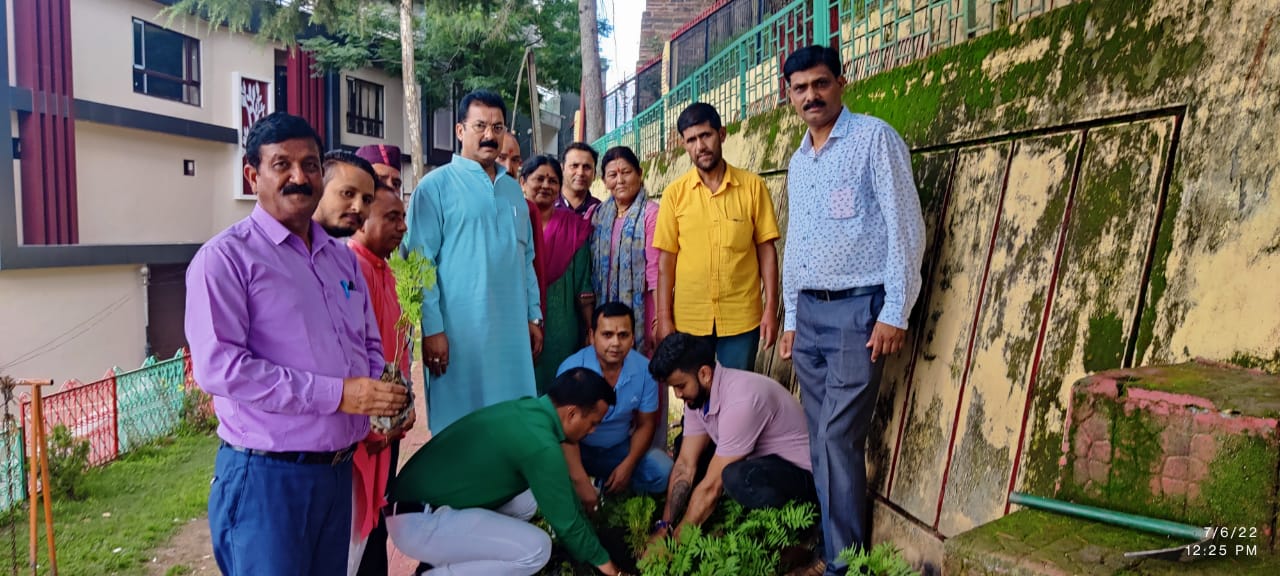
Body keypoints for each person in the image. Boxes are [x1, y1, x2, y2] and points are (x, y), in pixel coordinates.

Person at [185, 112, 409, 575]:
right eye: (281, 164)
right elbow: (221, 369)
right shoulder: (226, 259)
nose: (299, 177)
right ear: (253, 176)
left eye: (309, 165)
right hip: (267, 479)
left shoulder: (340, 259)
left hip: (337, 473)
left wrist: (383, 394)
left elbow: (368, 343)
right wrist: (339, 395)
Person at [778, 45, 926, 576]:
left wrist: (895, 310)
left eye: (820, 83)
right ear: (789, 95)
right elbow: (796, 242)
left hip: (859, 312)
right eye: (800, 88)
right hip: (810, 315)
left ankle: (846, 564)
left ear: (841, 83)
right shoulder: (799, 161)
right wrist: (791, 318)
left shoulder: (873, 138)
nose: (811, 96)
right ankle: (835, 548)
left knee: (838, 436)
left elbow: (906, 226)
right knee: (821, 442)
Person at [386, 369, 631, 576]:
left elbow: (562, 497)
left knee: (530, 499)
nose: (592, 431)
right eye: (593, 423)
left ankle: (445, 557)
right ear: (572, 413)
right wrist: (611, 569)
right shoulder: (541, 445)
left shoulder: (529, 411)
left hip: (416, 506)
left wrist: (587, 530)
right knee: (537, 550)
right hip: (418, 522)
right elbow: (567, 523)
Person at [402, 90, 544, 434]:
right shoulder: (434, 187)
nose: (489, 135)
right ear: (460, 130)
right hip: (459, 336)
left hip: (510, 335)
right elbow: (420, 264)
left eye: (497, 127)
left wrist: (533, 315)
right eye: (480, 126)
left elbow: (525, 258)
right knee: (460, 432)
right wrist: (433, 329)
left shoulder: (513, 190)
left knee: (510, 425)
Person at [646, 333, 814, 545]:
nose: (677, 395)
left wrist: (672, 546)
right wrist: (664, 526)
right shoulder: (697, 398)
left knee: (736, 477)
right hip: (766, 464)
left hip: (804, 477)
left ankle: (796, 536)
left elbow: (711, 487)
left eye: (680, 386)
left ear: (704, 374)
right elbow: (685, 465)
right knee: (686, 449)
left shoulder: (741, 400)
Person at [653, 102, 782, 371]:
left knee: (735, 391)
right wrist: (663, 317)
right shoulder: (674, 194)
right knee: (693, 391)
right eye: (691, 140)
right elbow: (666, 261)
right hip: (689, 319)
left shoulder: (753, 187)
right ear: (683, 145)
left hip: (741, 319)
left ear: (721, 134)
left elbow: (767, 251)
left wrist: (771, 307)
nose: (700, 146)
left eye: (706, 135)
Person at [349, 181, 415, 576]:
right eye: (392, 217)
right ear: (361, 220)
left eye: (403, 218)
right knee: (354, 540)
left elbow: (396, 351)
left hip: (386, 427)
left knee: (375, 530)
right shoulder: (351, 270)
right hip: (360, 432)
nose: (402, 227)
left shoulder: (386, 272)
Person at [558, 303, 673, 507]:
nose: (615, 343)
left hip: (618, 449)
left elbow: (646, 424)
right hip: (577, 449)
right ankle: (584, 489)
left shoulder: (645, 370)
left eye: (623, 335)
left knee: (662, 470)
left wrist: (628, 465)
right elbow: (564, 434)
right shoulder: (572, 368)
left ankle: (609, 486)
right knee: (551, 466)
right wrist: (580, 480)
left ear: (632, 338)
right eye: (607, 334)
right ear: (592, 336)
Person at [522, 155, 594, 393]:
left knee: (559, 393)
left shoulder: (574, 228)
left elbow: (583, 285)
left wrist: (590, 328)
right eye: (539, 179)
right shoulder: (512, 223)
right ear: (523, 182)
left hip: (561, 327)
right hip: (517, 323)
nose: (546, 185)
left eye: (553, 181)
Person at [589, 146, 660, 355]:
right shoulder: (598, 215)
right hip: (605, 309)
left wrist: (659, 318)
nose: (620, 180)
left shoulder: (651, 214)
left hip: (643, 310)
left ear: (640, 173)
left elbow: (656, 271)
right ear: (604, 181)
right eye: (612, 175)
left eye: (626, 172)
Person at [314, 150, 377, 238]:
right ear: (319, 188)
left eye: (367, 200)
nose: (358, 208)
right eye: (348, 193)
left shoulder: (341, 247)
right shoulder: (293, 243)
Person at [557, 142, 602, 217]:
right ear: (562, 170)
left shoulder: (601, 211)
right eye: (574, 166)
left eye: (587, 167)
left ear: (594, 174)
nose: (580, 173)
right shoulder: (546, 206)